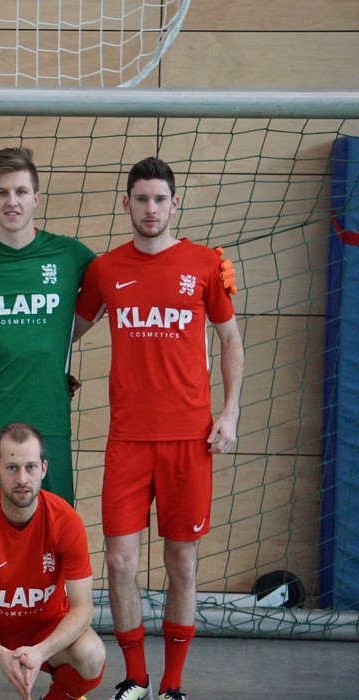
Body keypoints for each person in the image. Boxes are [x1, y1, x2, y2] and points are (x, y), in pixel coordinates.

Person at [74, 157, 244, 700]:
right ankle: (136, 679)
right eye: (141, 199)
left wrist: (230, 411)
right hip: (127, 440)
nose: (151, 208)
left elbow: (230, 339)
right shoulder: (105, 269)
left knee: (182, 564)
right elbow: (66, 331)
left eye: (160, 199)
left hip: (189, 441)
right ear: (126, 204)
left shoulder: (203, 263)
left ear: (175, 204)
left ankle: (171, 685)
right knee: (119, 561)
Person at [0, 147, 95, 519]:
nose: (12, 201)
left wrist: (58, 343)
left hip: (48, 416)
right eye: (2, 192)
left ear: (36, 197)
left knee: (53, 530)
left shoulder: (69, 254)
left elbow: (118, 284)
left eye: (21, 192)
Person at [0, 422, 105, 700]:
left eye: (31, 467)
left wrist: (42, 651)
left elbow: (83, 607)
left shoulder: (66, 521)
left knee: (92, 653)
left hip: (46, 628)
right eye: (12, 468)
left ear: (44, 469)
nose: (22, 478)